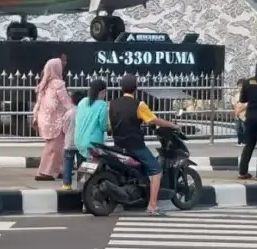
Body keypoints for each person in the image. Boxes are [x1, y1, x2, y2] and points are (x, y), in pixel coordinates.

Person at [109, 74, 179, 215]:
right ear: (136, 88)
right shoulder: (139, 105)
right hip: (135, 146)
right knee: (156, 170)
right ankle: (152, 205)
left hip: (118, 145)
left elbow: (110, 126)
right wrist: (173, 125)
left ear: (121, 88)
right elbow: (153, 120)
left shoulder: (112, 104)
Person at [33, 58, 74, 181]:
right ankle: (45, 172)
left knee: (55, 146)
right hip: (55, 120)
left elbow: (39, 103)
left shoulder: (44, 84)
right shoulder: (58, 84)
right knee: (55, 148)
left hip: (45, 120)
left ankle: (59, 170)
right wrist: (75, 109)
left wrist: (35, 117)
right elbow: (66, 101)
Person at [73, 79, 109, 159]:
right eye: (105, 92)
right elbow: (104, 126)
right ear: (102, 92)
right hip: (93, 144)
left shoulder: (82, 101)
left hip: (78, 141)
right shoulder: (102, 105)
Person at [59, 89, 80, 191]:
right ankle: (82, 184)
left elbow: (64, 127)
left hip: (69, 142)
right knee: (81, 164)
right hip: (80, 143)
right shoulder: (83, 113)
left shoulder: (69, 113)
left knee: (68, 162)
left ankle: (67, 184)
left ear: (71, 100)